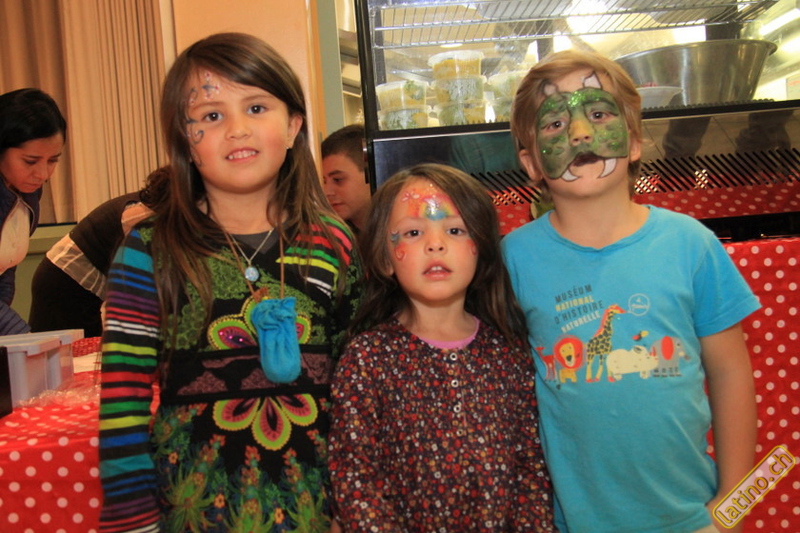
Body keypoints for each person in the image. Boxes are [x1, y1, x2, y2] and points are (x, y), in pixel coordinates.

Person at [98, 33, 361, 533]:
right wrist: (132, 522)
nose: (237, 129)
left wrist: (359, 506)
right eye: (212, 115)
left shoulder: (335, 244)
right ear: (185, 141)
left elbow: (358, 392)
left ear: (293, 126)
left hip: (319, 513)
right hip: (193, 515)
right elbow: (121, 402)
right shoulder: (149, 251)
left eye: (256, 108)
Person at [501, 49, 760, 533]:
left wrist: (732, 510)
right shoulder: (511, 260)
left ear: (636, 141)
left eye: (599, 115)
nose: (580, 133)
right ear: (531, 162)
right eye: (555, 124)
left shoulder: (691, 244)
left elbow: (732, 376)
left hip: (693, 520)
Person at [328, 162, 555, 532]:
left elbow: (531, 469)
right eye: (413, 232)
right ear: (385, 257)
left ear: (480, 249)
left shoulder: (508, 356)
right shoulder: (367, 360)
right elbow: (356, 478)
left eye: (454, 230)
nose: (435, 244)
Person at [28, 167, 168, 337]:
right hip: (64, 282)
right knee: (62, 348)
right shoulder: (140, 217)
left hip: (83, 286)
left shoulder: (157, 214)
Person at [0, 88, 67, 334]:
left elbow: (6, 267)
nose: (43, 174)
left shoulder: (27, 193)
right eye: (30, 161)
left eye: (53, 160)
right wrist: (22, 337)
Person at [321, 124, 372, 235]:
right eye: (323, 181)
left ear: (370, 175)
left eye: (337, 180)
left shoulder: (400, 225)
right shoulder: (328, 234)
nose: (326, 192)